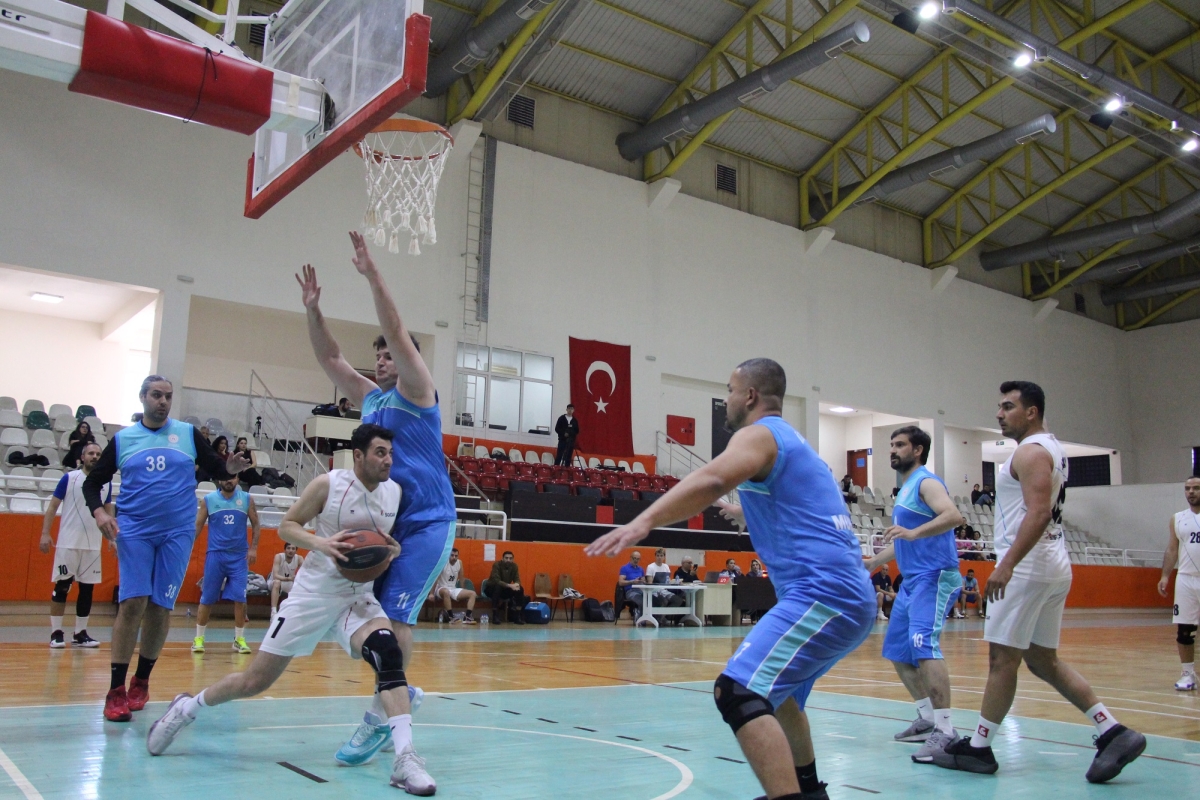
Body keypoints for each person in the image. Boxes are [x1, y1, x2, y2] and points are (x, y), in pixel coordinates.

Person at [587, 358, 874, 800]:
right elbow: (803, 503)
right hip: (845, 596)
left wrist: (643, 522)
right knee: (782, 697)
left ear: (750, 396)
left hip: (824, 595)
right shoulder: (791, 440)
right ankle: (809, 791)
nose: (727, 399)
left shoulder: (758, 434)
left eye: (730, 390)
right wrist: (748, 510)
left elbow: (714, 478)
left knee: (736, 690)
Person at [147, 425, 437, 794]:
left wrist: (390, 550)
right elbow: (287, 527)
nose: (388, 460)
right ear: (358, 455)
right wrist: (322, 544)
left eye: (390, 454)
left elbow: (381, 542)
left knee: (388, 652)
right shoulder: (328, 485)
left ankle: (405, 760)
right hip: (313, 594)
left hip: (356, 596)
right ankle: (187, 708)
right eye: (380, 452)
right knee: (254, 682)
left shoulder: (394, 492)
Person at [297, 232, 456, 770]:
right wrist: (313, 311)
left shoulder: (418, 390)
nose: (384, 359)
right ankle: (398, 695)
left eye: (391, 353)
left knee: (398, 617)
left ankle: (379, 719)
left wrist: (372, 275)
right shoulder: (371, 399)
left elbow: (396, 329)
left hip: (428, 522)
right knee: (371, 622)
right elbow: (332, 359)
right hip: (386, 525)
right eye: (380, 355)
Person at [932, 381, 1145, 782]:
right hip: (1050, 562)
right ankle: (1112, 730)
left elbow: (1039, 512)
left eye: (1008, 406)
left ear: (1031, 412)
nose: (999, 414)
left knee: (1002, 660)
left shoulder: (1030, 452)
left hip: (1028, 566)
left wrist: (1007, 564)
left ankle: (979, 749)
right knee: (1043, 660)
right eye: (999, 407)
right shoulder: (1052, 448)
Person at [83, 376, 249, 722]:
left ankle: (141, 681)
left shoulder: (188, 435)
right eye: (156, 395)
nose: (163, 401)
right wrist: (99, 512)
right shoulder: (124, 439)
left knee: (160, 607)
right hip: (135, 530)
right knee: (133, 603)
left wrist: (230, 468)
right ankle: (115, 690)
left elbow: (218, 468)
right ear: (143, 397)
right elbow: (93, 482)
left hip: (177, 532)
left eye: (168, 396)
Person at [863, 426, 965, 761]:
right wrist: (874, 563)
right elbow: (904, 541)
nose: (893, 450)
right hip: (912, 582)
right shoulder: (905, 489)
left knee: (923, 646)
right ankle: (927, 718)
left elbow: (954, 516)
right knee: (897, 651)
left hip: (934, 577)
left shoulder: (926, 482)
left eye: (900, 445)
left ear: (918, 450)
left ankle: (946, 731)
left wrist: (913, 532)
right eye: (891, 445)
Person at [39, 442, 112, 648]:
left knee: (87, 590)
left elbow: (108, 512)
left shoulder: (106, 483)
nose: (95, 456)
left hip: (92, 545)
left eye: (98, 454)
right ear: (82, 457)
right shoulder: (69, 478)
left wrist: (112, 538)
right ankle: (56, 633)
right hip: (68, 543)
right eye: (91, 453)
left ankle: (80, 633)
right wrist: (45, 533)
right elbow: (53, 506)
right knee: (62, 586)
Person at [192, 474, 261, 655]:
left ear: (237, 479)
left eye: (232, 477)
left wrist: (253, 548)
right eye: (225, 477)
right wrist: (186, 547)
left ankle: (239, 640)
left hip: (239, 557)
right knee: (207, 597)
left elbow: (256, 524)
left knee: (240, 598)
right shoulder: (209, 500)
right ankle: (198, 639)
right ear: (219, 479)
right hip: (216, 555)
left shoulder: (246, 499)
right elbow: (197, 526)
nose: (229, 480)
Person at [1157, 475, 1200, 691]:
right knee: (1185, 630)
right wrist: (1165, 575)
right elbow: (1172, 548)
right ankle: (1187, 673)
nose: (1191, 492)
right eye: (1187, 488)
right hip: (1185, 579)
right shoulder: (1177, 518)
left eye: (1196, 488)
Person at [433, 547, 477, 624]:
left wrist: (463, 591)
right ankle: (451, 617)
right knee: (446, 592)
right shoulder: (443, 562)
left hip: (453, 588)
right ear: (448, 555)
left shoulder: (459, 563)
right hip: (441, 588)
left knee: (472, 593)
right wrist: (431, 593)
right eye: (452, 555)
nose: (454, 557)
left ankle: (467, 617)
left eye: (456, 556)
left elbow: (462, 578)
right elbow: (435, 579)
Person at [486, 551, 527, 624]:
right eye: (506, 558)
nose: (508, 560)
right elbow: (496, 580)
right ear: (502, 558)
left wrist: (516, 585)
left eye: (510, 558)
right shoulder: (497, 565)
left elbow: (517, 579)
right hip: (491, 588)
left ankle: (517, 616)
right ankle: (495, 616)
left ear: (513, 559)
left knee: (520, 589)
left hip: (504, 589)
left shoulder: (514, 566)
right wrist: (509, 585)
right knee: (498, 587)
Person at [269, 543, 303, 617]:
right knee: (277, 582)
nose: (291, 550)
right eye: (288, 548)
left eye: (293, 549)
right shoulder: (279, 557)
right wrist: (288, 578)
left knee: (301, 586)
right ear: (285, 549)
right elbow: (275, 576)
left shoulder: (299, 558)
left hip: (289, 583)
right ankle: (273, 612)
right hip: (274, 582)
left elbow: (304, 575)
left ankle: (296, 611)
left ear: (296, 550)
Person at [617, 550, 646, 619]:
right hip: (630, 591)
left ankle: (657, 619)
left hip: (641, 590)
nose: (636, 560)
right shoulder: (624, 568)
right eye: (634, 558)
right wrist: (632, 581)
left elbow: (644, 580)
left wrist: (643, 580)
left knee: (652, 599)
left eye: (638, 559)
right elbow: (620, 582)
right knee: (642, 601)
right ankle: (640, 619)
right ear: (630, 558)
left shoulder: (641, 569)